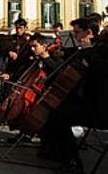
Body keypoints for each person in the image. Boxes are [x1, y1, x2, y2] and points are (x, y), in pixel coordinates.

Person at [38, 17, 108, 174]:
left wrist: (87, 51)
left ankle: (73, 163)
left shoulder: (101, 49)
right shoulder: (89, 49)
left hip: (101, 107)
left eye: (77, 33)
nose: (75, 37)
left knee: (59, 117)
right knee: (54, 111)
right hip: (89, 101)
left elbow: (100, 72)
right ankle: (55, 151)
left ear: (89, 32)